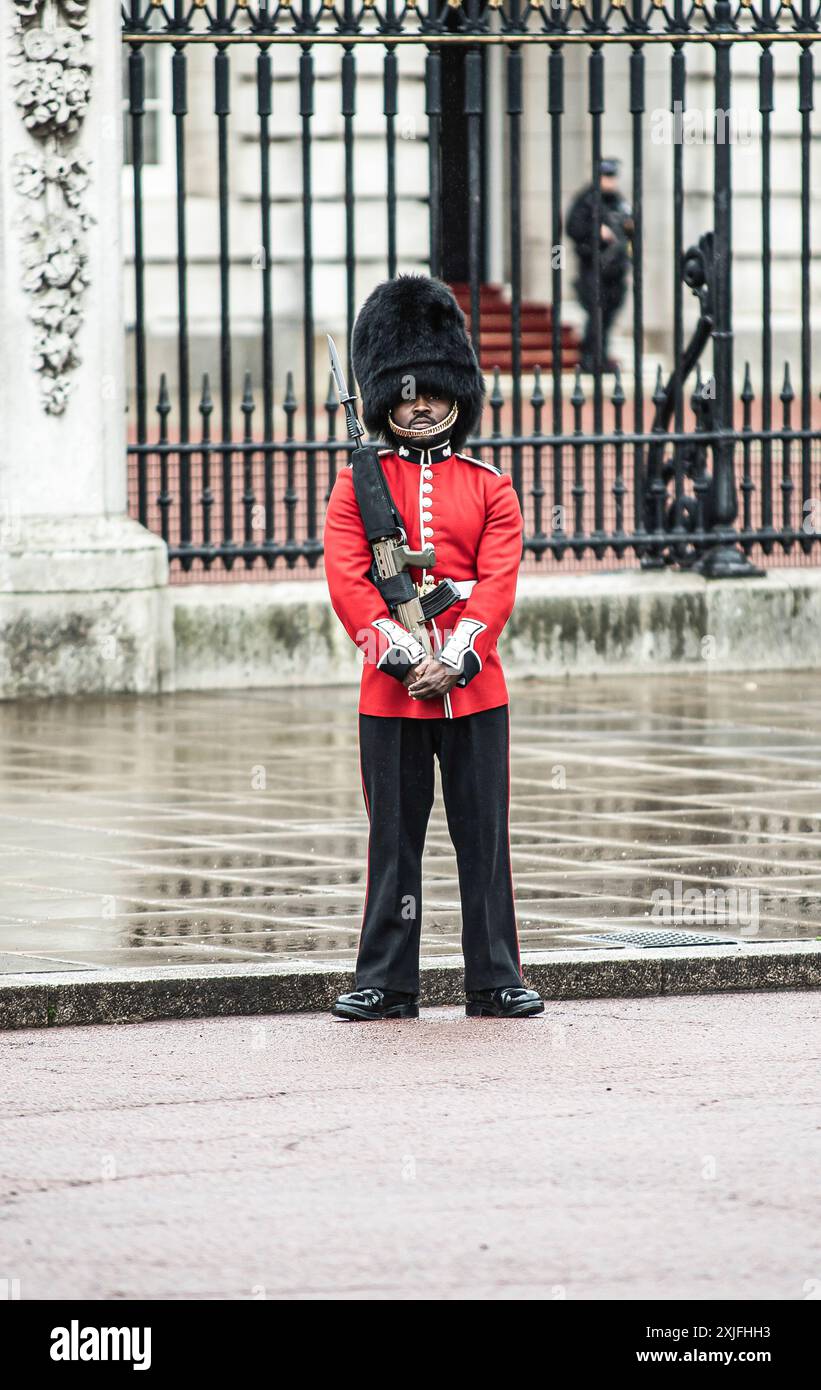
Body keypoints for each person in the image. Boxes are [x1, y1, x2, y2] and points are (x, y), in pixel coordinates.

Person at [323, 274, 544, 1022]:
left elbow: (497, 583)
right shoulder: (357, 486)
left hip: (474, 688)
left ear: (457, 393)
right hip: (391, 693)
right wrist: (398, 654)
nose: (418, 404)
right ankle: (386, 980)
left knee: (482, 842)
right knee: (394, 845)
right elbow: (349, 582)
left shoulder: (490, 487)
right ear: (386, 396)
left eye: (433, 391)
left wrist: (455, 654)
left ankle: (493, 977)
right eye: (406, 392)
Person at [566, 157, 634, 373]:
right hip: (593, 268)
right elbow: (573, 228)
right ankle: (590, 358)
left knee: (609, 314)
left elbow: (631, 231)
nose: (610, 181)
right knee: (596, 313)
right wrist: (596, 232)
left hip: (616, 269)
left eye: (612, 176)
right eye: (606, 176)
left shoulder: (618, 201)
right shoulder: (586, 200)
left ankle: (600, 357)